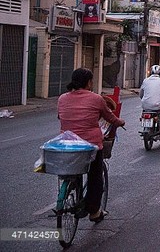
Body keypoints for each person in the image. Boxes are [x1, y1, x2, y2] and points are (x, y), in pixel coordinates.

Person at [57, 68, 126, 223]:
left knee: (73, 170)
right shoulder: (96, 99)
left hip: (67, 144)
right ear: (88, 82)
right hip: (90, 145)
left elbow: (60, 116)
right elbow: (110, 117)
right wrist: (121, 122)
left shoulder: (62, 98)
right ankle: (94, 211)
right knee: (95, 177)